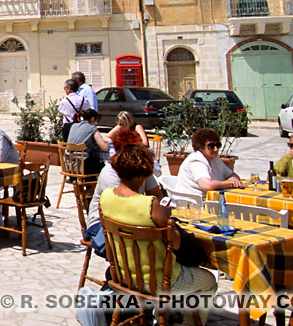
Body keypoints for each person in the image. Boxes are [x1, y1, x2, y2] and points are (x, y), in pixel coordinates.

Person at [99, 144, 217, 326]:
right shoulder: (149, 204)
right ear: (142, 174)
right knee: (209, 281)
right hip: (158, 281)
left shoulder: (106, 197)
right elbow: (175, 243)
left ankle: (166, 315)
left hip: (124, 276)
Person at [84, 130, 162, 258]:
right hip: (103, 223)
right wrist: (150, 210)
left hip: (133, 217)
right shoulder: (110, 173)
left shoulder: (139, 166)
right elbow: (122, 206)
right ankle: (126, 271)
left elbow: (157, 193)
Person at [175, 128, 243, 200]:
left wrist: (233, 179)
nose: (216, 149)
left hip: (210, 199)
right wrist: (229, 184)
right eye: (211, 146)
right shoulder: (196, 161)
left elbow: (232, 174)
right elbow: (207, 185)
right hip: (192, 203)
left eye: (218, 145)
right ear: (200, 147)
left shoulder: (214, 159)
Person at [66, 109, 110, 175]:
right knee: (104, 168)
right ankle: (90, 185)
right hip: (82, 166)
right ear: (93, 119)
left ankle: (85, 184)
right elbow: (104, 148)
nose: (97, 123)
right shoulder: (92, 128)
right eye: (97, 121)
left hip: (69, 165)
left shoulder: (74, 126)